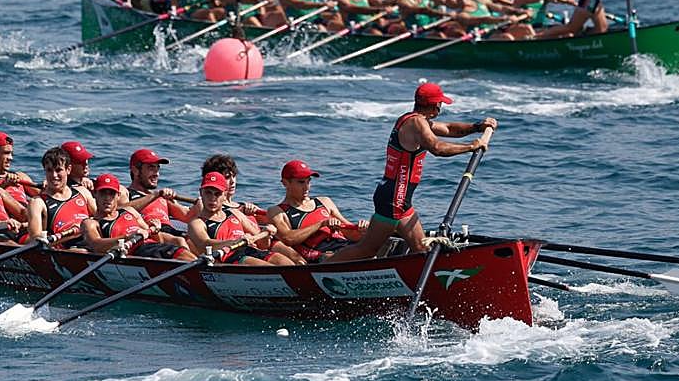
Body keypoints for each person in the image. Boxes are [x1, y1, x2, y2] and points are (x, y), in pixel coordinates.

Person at [327, 83, 496, 261]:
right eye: (441, 104)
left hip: (396, 197)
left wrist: (477, 126)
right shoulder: (416, 123)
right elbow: (437, 148)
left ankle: (428, 280)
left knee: (420, 249)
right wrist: (471, 147)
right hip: (394, 200)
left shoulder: (412, 119)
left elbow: (448, 129)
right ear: (435, 106)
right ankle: (321, 270)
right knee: (368, 250)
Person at [266, 160, 365, 262]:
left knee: (377, 243)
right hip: (321, 253)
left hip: (343, 245)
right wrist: (321, 224)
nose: (307, 187)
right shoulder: (277, 211)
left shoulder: (324, 202)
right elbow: (288, 239)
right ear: (285, 183)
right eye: (301, 182)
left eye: (309, 181)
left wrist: (363, 230)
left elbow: (351, 233)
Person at [82, 173, 196, 259]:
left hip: (151, 248)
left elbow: (158, 240)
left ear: (118, 196)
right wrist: (127, 237)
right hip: (133, 252)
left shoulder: (130, 211)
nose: (107, 198)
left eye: (111, 194)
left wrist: (155, 230)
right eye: (103, 193)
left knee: (182, 247)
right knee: (180, 254)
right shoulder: (91, 222)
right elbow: (96, 245)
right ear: (95, 194)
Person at [187, 172, 292, 265]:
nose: (212, 199)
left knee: (284, 262)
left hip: (250, 251)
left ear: (225, 194)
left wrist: (266, 234)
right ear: (201, 193)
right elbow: (205, 245)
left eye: (217, 194)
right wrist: (234, 241)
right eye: (208, 193)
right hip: (228, 258)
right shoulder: (197, 223)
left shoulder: (235, 213)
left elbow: (263, 245)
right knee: (266, 267)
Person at [26, 146, 95, 243]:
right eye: (49, 170)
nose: (54, 175)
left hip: (91, 244)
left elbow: (101, 218)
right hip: (65, 249)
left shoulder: (82, 192)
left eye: (58, 170)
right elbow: (35, 239)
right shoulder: (37, 203)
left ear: (68, 169)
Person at [123, 148, 191, 232]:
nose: (157, 174)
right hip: (151, 236)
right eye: (151, 168)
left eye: (158, 168)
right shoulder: (125, 193)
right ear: (135, 170)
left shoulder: (162, 197)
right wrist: (155, 195)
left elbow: (188, 216)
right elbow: (121, 212)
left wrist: (203, 203)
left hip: (173, 234)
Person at [448, 0, 533, 40]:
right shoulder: (462, 14)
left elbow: (502, 8)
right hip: (485, 37)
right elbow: (482, 20)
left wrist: (520, 11)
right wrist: (504, 19)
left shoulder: (481, 1)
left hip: (498, 29)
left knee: (525, 28)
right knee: (507, 37)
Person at [0, 130, 37, 206]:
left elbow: (45, 196)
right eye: (6, 153)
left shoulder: (21, 176)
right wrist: (4, 185)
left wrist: (50, 187)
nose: (10, 158)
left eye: (11, 153)